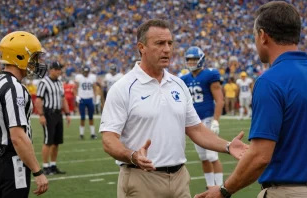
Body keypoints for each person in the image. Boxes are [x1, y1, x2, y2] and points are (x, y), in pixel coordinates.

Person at [195, 2, 307, 198]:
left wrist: (224, 190)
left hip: (288, 191)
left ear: (263, 35)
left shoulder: (270, 80)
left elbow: (260, 156)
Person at [99, 19, 248, 198]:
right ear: (142, 47)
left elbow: (196, 129)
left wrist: (228, 146)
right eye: (160, 43)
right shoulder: (123, 87)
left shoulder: (178, 84)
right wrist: (132, 155)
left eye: (170, 43)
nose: (167, 49)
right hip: (141, 179)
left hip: (179, 179)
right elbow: (108, 139)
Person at [0, 31, 48, 197]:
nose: (37, 62)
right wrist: (37, 171)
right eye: (34, 57)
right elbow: (17, 136)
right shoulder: (14, 88)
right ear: (19, 56)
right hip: (11, 161)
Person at [181, 46, 225, 188]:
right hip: (194, 122)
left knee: (212, 156)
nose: (191, 62)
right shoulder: (184, 79)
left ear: (201, 60)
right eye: (189, 60)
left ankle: (218, 187)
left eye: (194, 59)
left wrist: (216, 121)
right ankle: (210, 186)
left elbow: (219, 99)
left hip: (207, 118)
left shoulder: (210, 75)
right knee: (203, 158)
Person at [35, 61, 71, 175]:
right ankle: (45, 166)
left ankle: (53, 165)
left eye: (60, 69)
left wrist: (68, 114)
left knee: (56, 142)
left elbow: (63, 99)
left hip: (58, 113)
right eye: (57, 69)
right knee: (48, 141)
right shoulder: (44, 82)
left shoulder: (60, 82)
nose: (59, 71)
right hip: (48, 113)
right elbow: (38, 100)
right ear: (51, 70)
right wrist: (41, 115)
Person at [74, 66, 97, 140]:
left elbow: (94, 88)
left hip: (90, 98)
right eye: (84, 72)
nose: (86, 73)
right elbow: (75, 88)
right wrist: (77, 96)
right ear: (82, 71)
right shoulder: (79, 78)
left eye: (87, 72)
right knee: (82, 117)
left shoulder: (92, 77)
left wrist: (95, 97)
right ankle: (81, 134)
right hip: (82, 99)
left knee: (91, 117)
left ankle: (92, 134)